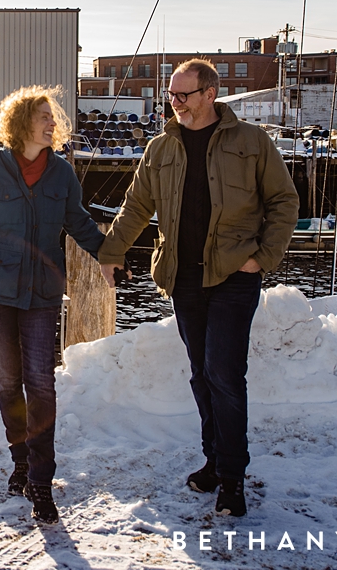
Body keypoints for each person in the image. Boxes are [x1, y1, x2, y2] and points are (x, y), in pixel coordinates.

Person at [99, 58, 298, 517]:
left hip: (233, 276)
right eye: (171, 95)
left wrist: (263, 257)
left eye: (183, 95)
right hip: (183, 277)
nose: (175, 103)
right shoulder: (160, 148)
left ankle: (232, 478)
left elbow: (284, 201)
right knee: (201, 374)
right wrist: (111, 252)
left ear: (210, 94)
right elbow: (135, 207)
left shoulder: (251, 142)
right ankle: (213, 460)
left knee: (225, 375)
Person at [0, 85, 106, 525]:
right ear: (21, 123)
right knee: (8, 381)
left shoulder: (62, 174)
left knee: (41, 382)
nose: (53, 124)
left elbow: (79, 222)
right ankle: (19, 460)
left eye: (54, 118)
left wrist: (111, 254)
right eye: (44, 117)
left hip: (41, 294)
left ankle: (41, 481)